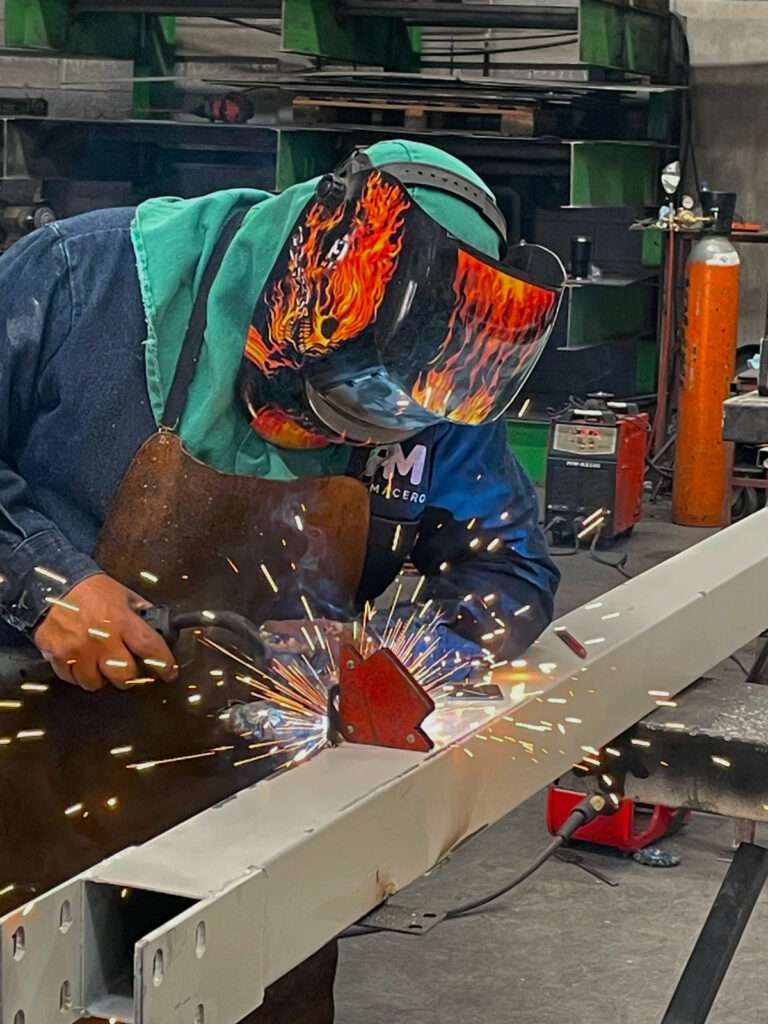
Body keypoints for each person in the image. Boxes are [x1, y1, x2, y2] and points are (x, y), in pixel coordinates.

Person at [0, 139, 562, 1021]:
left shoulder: (441, 383)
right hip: (29, 780)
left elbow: (508, 570)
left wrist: (400, 662)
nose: (341, 437)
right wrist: (43, 581)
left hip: (257, 815)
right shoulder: (82, 281)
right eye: (325, 405)